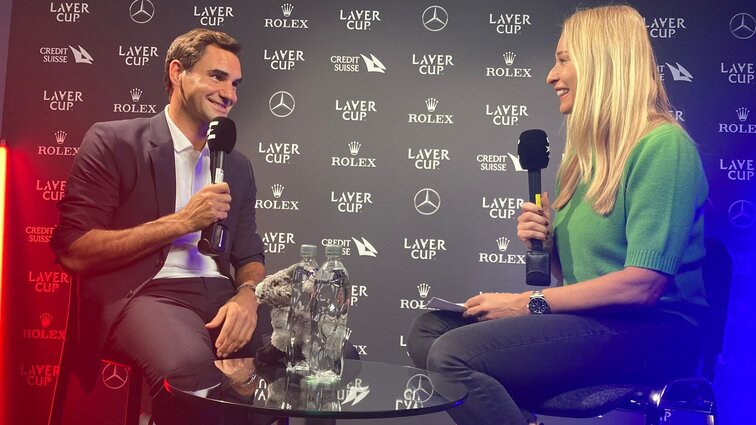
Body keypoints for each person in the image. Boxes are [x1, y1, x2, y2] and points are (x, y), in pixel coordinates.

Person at [407, 5, 708, 425]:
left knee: (453, 353)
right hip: (592, 322)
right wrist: (546, 247)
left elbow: (644, 285)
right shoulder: (583, 161)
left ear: (603, 64)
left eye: (564, 60)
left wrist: (525, 302)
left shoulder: (663, 147)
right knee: (430, 330)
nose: (551, 75)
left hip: (654, 332)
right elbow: (577, 282)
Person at [51, 28, 269, 425]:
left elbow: (250, 253)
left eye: (235, 83)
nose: (230, 94)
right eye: (216, 77)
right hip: (145, 293)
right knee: (188, 368)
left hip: (221, 294)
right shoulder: (114, 141)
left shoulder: (236, 165)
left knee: (302, 356)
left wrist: (248, 296)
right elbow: (74, 250)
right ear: (176, 73)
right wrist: (183, 221)